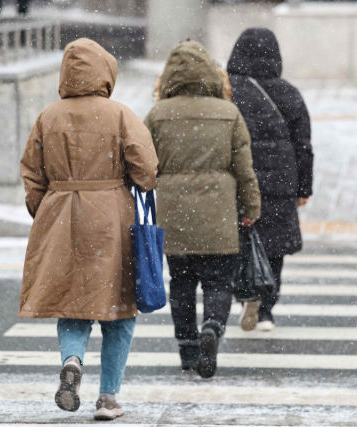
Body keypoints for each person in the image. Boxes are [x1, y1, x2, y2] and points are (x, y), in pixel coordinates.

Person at [18, 38, 158, 420]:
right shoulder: (120, 115)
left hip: (61, 217)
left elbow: (32, 173)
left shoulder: (49, 116)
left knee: (73, 305)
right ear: (106, 72)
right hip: (112, 220)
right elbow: (146, 172)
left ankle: (73, 361)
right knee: (119, 311)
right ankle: (108, 398)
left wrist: (45, 209)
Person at [145, 40, 261, 378]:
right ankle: (212, 328)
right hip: (219, 214)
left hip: (173, 214)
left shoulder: (157, 115)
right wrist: (251, 207)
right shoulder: (228, 113)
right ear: (211, 74)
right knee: (218, 282)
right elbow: (244, 169)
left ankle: (187, 350)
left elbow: (143, 166)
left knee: (180, 283)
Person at [227, 28, 314, 332]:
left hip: (239, 182)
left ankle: (244, 294)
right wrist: (304, 188)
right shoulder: (289, 94)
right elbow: (303, 145)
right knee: (274, 248)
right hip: (280, 185)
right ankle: (265, 309)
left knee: (240, 240)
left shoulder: (228, 91)